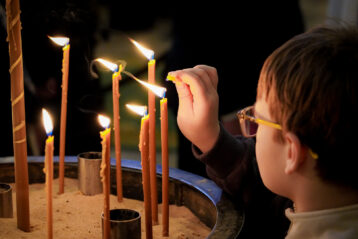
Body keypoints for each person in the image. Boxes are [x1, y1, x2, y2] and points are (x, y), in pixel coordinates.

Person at [168, 25, 358, 238]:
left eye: (257, 120)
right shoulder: (318, 198)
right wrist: (210, 139)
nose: (253, 133)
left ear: (292, 152)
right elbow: (258, 181)